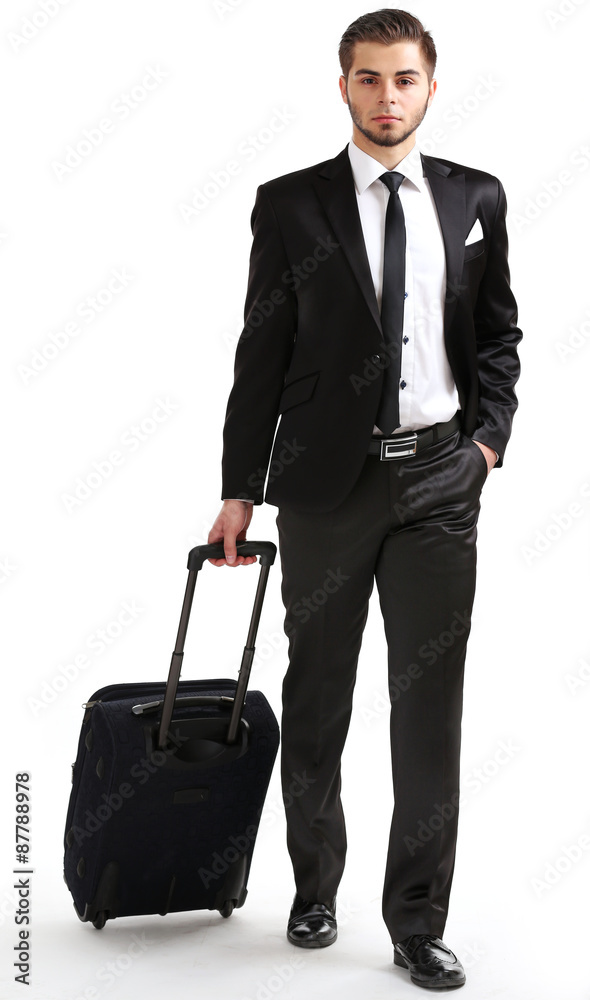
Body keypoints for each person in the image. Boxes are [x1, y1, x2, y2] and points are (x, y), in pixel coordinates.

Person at [207, 8, 522, 990]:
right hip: (321, 490)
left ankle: (415, 921)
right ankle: (312, 886)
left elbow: (498, 336)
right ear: (342, 85)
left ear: (430, 86)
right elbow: (260, 354)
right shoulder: (290, 205)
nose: (387, 96)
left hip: (439, 480)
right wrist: (235, 488)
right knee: (318, 693)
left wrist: (485, 445)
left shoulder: (474, 198)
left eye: (403, 79)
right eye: (368, 78)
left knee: (427, 705)